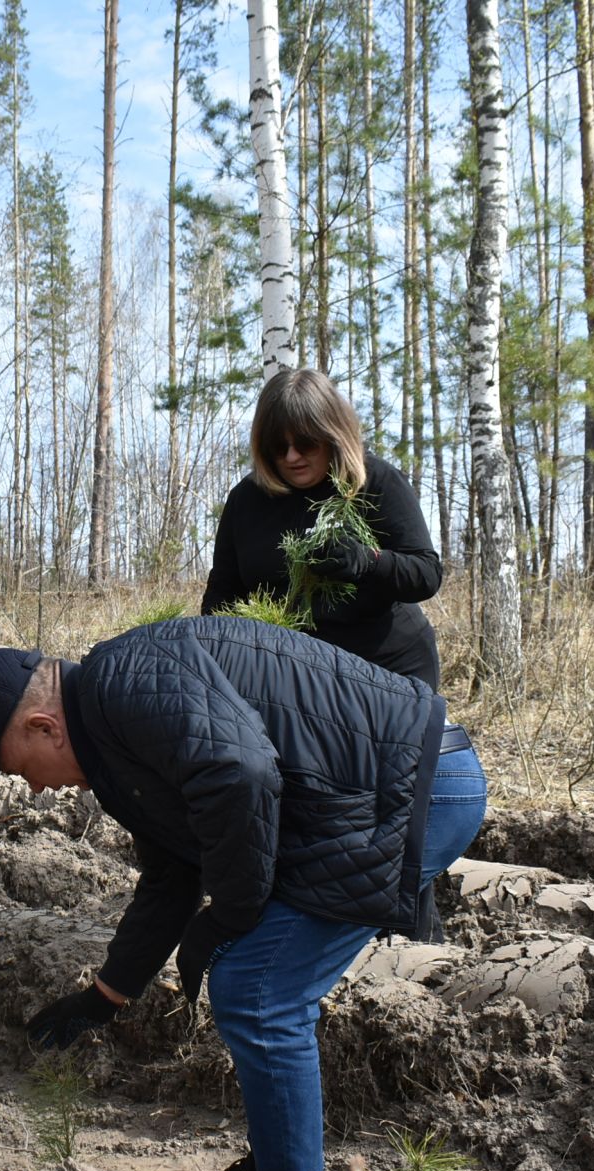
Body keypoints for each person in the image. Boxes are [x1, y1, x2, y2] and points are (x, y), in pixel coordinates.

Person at [0, 615, 445, 1171]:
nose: (34, 790)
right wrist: (107, 995)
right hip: (379, 786)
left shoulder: (121, 687)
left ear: (43, 726)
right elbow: (173, 874)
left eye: (19, 770)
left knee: (259, 991)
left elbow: (243, 772)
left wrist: (230, 916)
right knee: (254, 983)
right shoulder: (113, 734)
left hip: (407, 785)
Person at [201, 367, 484, 941]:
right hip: (300, 683)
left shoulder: (375, 483)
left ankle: (410, 935)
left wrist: (367, 562)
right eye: (276, 445)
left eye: (305, 442)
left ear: (335, 436)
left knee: (395, 807)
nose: (291, 456)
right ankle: (316, 928)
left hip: (387, 672)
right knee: (316, 807)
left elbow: (426, 572)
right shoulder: (248, 502)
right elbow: (221, 598)